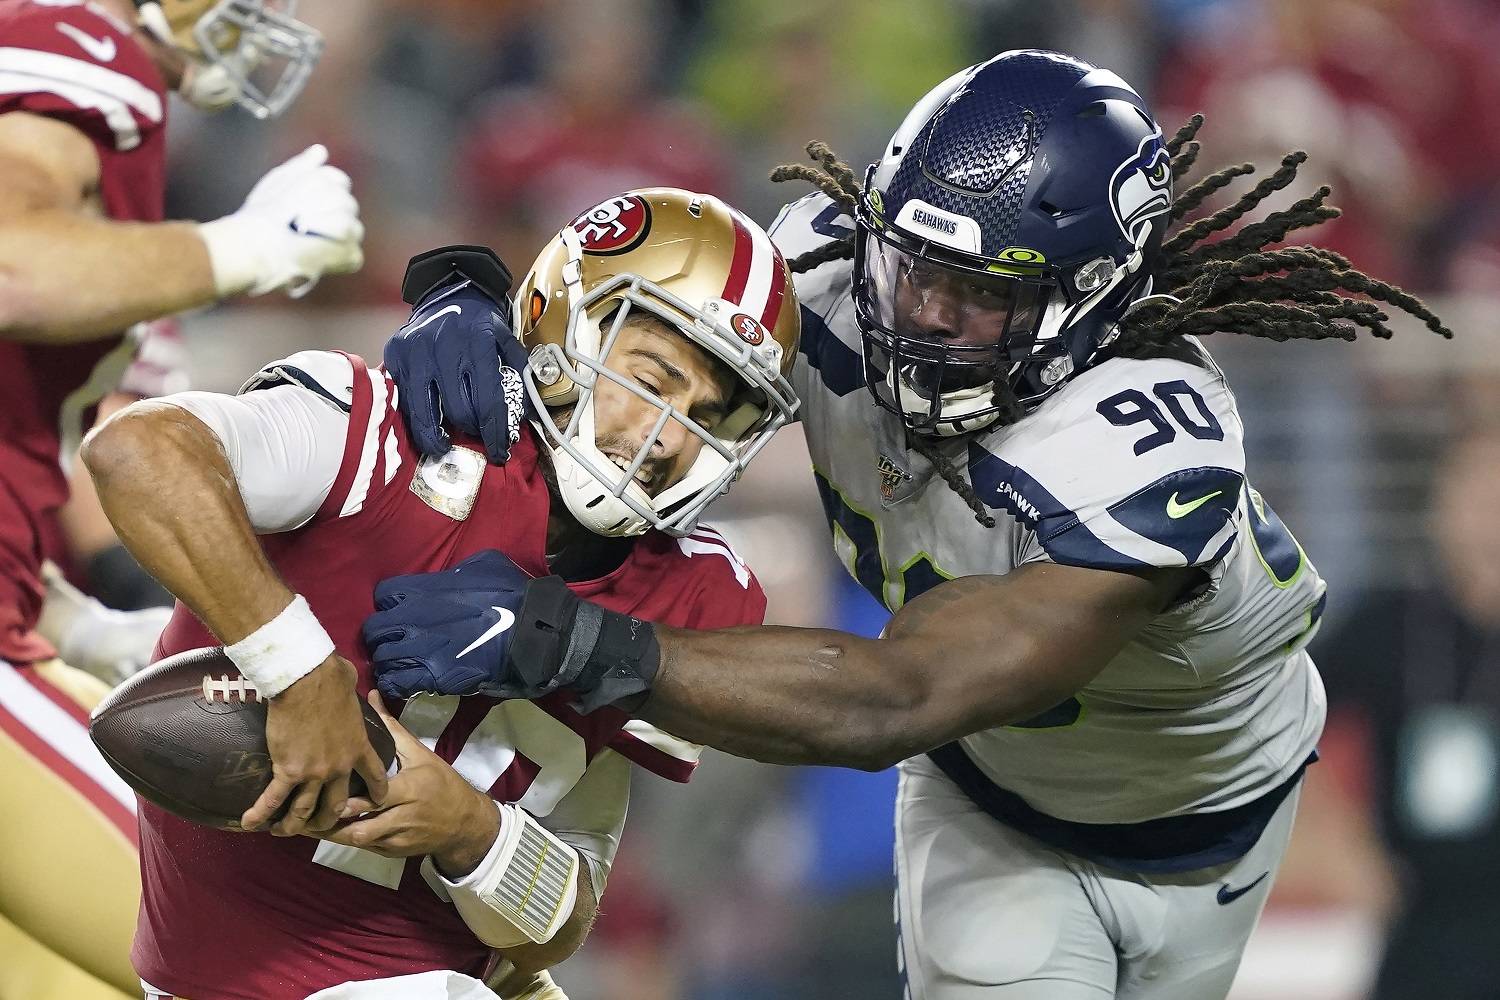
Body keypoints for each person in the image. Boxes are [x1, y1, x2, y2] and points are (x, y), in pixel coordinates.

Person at [374, 51, 1454, 999]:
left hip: (1219, 801)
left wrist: (568, 638)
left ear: (1086, 303)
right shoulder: (839, 271)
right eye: (911, 267)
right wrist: (468, 292)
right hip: (997, 801)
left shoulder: (1142, 444)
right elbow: (629, 296)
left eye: (973, 296)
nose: (920, 314)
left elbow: (901, 694)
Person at [82, 187, 799, 999]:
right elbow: (137, 453)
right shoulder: (389, 432)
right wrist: (298, 670)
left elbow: (559, 926)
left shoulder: (691, 589)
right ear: (568, 324)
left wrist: (473, 829)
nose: (671, 436)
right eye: (651, 377)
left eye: (710, 413)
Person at [0, 0, 360, 996]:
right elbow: (12, 267)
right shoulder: (80, 50)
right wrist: (246, 248)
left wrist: (66, 618)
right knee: (279, 962)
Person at [1301, 427, 1500, 999]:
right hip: (1418, 919)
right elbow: (1277, 719)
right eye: (1474, 486)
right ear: (1441, 504)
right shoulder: (1392, 620)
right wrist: (1336, 844)